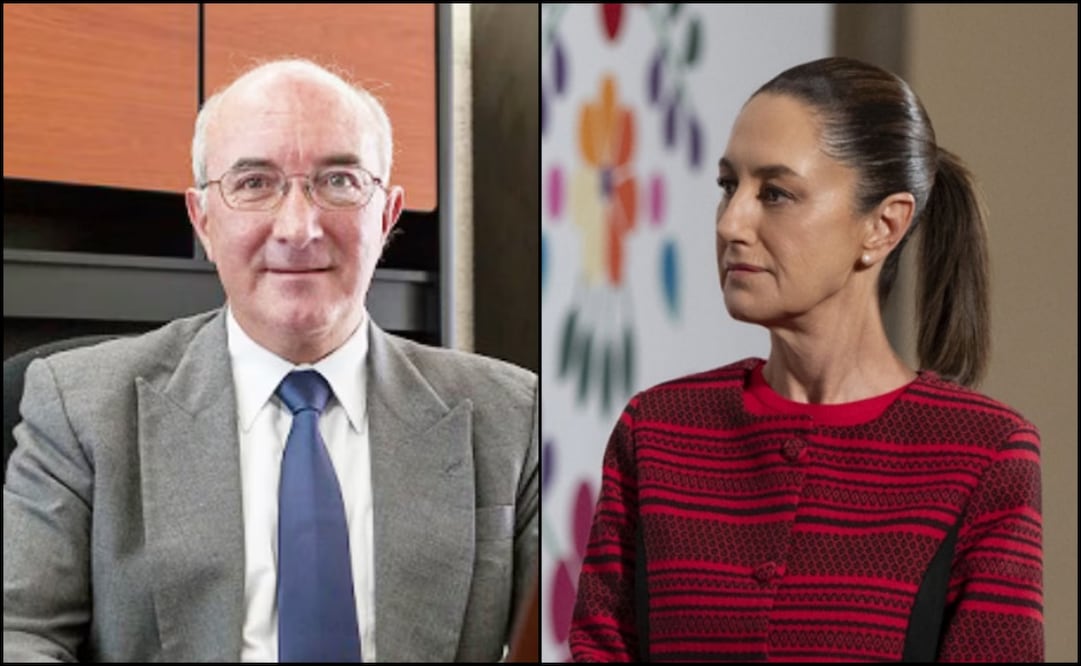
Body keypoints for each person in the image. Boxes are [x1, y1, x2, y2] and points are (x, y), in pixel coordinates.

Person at [3, 58, 538, 663]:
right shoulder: (78, 408)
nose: (299, 227)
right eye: (255, 183)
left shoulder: (514, 418)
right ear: (203, 220)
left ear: (386, 216)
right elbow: (19, 636)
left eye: (338, 181)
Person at [569, 57, 1042, 662]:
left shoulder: (984, 453)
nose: (732, 222)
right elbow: (599, 647)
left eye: (775, 193)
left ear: (883, 226)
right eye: (727, 186)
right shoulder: (657, 430)